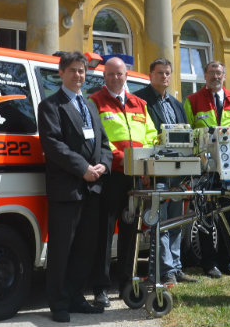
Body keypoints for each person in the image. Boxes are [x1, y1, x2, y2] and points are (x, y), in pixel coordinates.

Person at [37, 51, 111, 323]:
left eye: (82, 70)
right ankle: (58, 304)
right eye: (73, 70)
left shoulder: (90, 105)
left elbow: (103, 143)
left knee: (84, 249)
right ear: (61, 73)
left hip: (93, 190)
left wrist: (103, 165)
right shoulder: (51, 106)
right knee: (62, 250)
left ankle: (76, 297)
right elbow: (54, 145)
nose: (78, 75)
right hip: (67, 191)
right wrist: (84, 169)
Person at [88, 57, 157, 307]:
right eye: (110, 74)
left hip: (136, 176)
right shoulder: (95, 101)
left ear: (126, 75)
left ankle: (127, 282)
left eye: (119, 74)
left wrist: (145, 162)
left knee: (132, 231)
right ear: (104, 77)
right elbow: (98, 141)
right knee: (104, 233)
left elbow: (150, 135)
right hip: (111, 175)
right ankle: (100, 288)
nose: (115, 78)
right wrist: (123, 159)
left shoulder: (140, 103)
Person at [134, 58, 198, 286]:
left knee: (176, 222)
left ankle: (177, 267)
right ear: (151, 74)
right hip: (155, 173)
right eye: (160, 73)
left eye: (167, 73)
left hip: (177, 173)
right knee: (159, 223)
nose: (164, 77)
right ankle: (166, 270)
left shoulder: (176, 103)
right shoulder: (141, 100)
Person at [184, 60, 230, 278]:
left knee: (229, 216)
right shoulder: (192, 100)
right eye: (211, 73)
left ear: (224, 76)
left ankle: (227, 261)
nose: (215, 77)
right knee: (205, 216)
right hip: (205, 169)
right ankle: (209, 263)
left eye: (219, 73)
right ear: (205, 76)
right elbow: (188, 134)